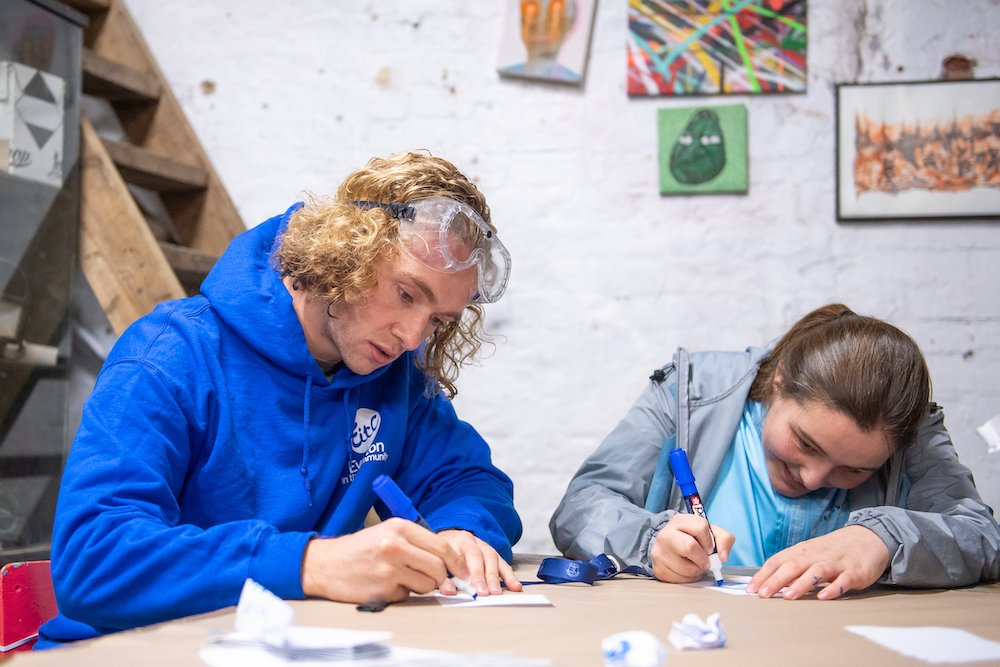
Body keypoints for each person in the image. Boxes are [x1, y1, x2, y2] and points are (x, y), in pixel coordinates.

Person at [38, 151, 522, 647]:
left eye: (439, 319)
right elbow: (92, 560)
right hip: (126, 650)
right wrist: (311, 563)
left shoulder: (393, 376)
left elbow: (467, 480)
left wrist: (462, 531)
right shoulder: (169, 354)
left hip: (282, 645)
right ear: (351, 249)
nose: (414, 336)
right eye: (406, 294)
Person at [550, 304, 999, 600]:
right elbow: (581, 506)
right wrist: (651, 543)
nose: (812, 479)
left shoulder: (911, 431)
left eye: (854, 469)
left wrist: (884, 537)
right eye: (805, 444)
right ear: (779, 379)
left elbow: (983, 537)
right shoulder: (688, 393)